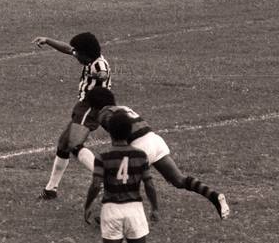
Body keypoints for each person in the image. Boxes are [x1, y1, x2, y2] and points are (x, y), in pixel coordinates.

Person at [80, 87, 231, 221]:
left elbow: (119, 135)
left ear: (95, 105)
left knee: (118, 179)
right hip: (155, 140)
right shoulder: (124, 108)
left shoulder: (104, 114)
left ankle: (111, 214)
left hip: (140, 145)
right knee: (179, 180)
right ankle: (214, 196)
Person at [83, 109, 158, 243]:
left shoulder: (103, 157)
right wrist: (155, 207)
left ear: (110, 132)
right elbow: (149, 185)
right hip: (134, 209)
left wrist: (88, 205)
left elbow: (96, 184)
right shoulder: (140, 156)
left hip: (111, 210)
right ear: (129, 131)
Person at [32, 32, 111, 200]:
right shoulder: (88, 57)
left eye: (79, 53)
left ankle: (104, 177)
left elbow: (103, 73)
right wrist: (47, 40)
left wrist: (99, 76)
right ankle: (51, 190)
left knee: (74, 144)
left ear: (87, 53)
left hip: (91, 108)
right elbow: (68, 49)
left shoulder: (99, 64)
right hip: (83, 106)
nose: (76, 56)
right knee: (63, 144)